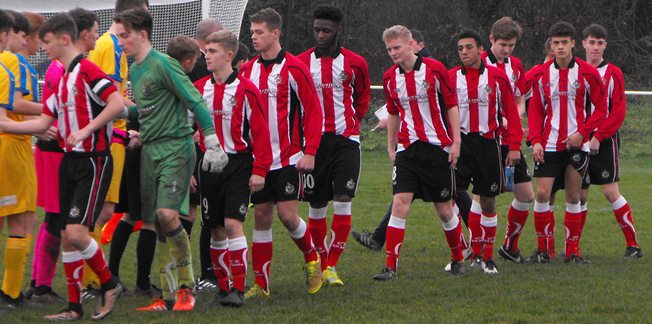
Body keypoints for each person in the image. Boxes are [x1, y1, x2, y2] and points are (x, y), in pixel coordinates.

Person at [0, 12, 126, 320]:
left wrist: (86, 129)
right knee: (66, 234)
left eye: (46, 41)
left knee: (77, 233)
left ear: (64, 39)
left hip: (92, 161)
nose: (41, 46)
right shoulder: (63, 77)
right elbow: (44, 121)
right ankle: (74, 307)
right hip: (69, 162)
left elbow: (117, 103)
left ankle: (109, 284)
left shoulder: (87, 69)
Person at [114, 8, 227, 311]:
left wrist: (212, 140)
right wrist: (124, 112)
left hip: (176, 148)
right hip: (149, 151)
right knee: (158, 223)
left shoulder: (164, 64)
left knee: (166, 215)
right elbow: (146, 110)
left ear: (141, 34)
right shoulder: (135, 70)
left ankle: (187, 288)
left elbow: (196, 100)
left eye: (124, 35)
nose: (119, 40)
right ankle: (165, 296)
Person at [351, 28, 473, 258]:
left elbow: (451, 106)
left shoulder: (435, 70)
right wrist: (391, 146)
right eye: (389, 49)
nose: (393, 53)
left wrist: (456, 142)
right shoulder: (389, 77)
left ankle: (463, 250)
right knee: (400, 202)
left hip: (437, 147)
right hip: (408, 148)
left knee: (446, 208)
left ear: (411, 45)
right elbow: (394, 113)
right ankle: (389, 264)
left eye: (397, 47)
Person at [239, 7, 324, 298]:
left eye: (259, 32)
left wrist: (310, 151)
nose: (254, 37)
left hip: (288, 157)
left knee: (288, 216)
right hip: (259, 161)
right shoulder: (246, 69)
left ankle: (312, 258)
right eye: (252, 32)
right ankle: (261, 284)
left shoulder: (294, 68)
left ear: (275, 33)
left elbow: (313, 111)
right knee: (261, 214)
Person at [196, 30, 272, 307]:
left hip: (238, 165)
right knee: (215, 229)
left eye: (212, 51)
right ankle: (223, 287)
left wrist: (260, 169)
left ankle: (238, 288)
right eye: (206, 50)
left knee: (232, 224)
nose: (206, 55)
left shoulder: (246, 89)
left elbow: (261, 134)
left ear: (229, 55)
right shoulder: (199, 88)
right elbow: (189, 127)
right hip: (208, 166)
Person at [297, 5, 370, 286]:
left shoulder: (356, 63)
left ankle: (331, 267)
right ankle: (320, 259)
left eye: (326, 30)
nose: (321, 35)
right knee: (316, 205)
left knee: (343, 199)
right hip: (314, 144)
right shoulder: (302, 62)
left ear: (338, 31)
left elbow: (362, 96)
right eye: (317, 30)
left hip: (346, 141)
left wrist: (353, 123)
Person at [88, 0, 154, 301]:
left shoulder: (105, 43)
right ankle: (93, 281)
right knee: (102, 212)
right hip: (108, 138)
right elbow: (114, 99)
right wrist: (148, 112)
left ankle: (97, 278)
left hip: (105, 135)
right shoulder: (114, 46)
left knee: (107, 211)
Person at [527, 21, 607, 264]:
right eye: (556, 42)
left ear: (573, 43)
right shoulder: (542, 74)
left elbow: (601, 108)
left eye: (564, 42)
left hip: (576, 144)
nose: (560, 46)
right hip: (549, 144)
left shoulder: (588, 73)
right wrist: (536, 140)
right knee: (541, 194)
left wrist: (582, 134)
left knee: (573, 196)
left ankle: (572, 251)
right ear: (551, 45)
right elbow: (536, 110)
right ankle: (544, 250)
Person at [450, 29, 523, 274]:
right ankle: (464, 252)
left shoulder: (497, 78)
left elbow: (512, 113)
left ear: (482, 49)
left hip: (488, 144)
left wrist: (514, 146)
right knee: (450, 196)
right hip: (461, 146)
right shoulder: (450, 78)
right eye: (460, 48)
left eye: (469, 47)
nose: (464, 52)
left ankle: (488, 257)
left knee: (488, 201)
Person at [579, 23, 641, 258]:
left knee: (610, 192)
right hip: (580, 140)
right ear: (583, 43)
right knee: (580, 194)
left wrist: (599, 137)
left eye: (600, 43)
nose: (595, 47)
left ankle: (633, 245)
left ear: (605, 45)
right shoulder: (575, 70)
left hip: (604, 140)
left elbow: (618, 112)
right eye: (591, 42)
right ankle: (574, 249)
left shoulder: (613, 72)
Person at [478, 17, 535, 264]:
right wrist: (497, 118)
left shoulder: (516, 66)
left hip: (510, 140)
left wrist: (516, 114)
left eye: (511, 45)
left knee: (525, 195)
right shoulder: (478, 64)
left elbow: (520, 98)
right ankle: (475, 249)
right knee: (482, 198)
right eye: (503, 44)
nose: (507, 49)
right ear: (491, 40)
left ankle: (509, 246)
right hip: (485, 140)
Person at [0, 9, 42, 308]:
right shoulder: (12, 62)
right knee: (22, 221)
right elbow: (14, 104)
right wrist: (51, 111)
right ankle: (11, 292)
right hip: (12, 144)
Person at [24, 10, 64, 304]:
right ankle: (41, 287)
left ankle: (38, 281)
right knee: (55, 217)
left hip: (46, 144)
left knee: (50, 217)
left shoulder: (51, 68)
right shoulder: (58, 68)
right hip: (54, 147)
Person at [186, 18, 224, 292]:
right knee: (205, 215)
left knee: (193, 213)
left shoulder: (191, 65)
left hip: (196, 147)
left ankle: (189, 274)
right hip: (197, 150)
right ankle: (204, 273)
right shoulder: (200, 68)